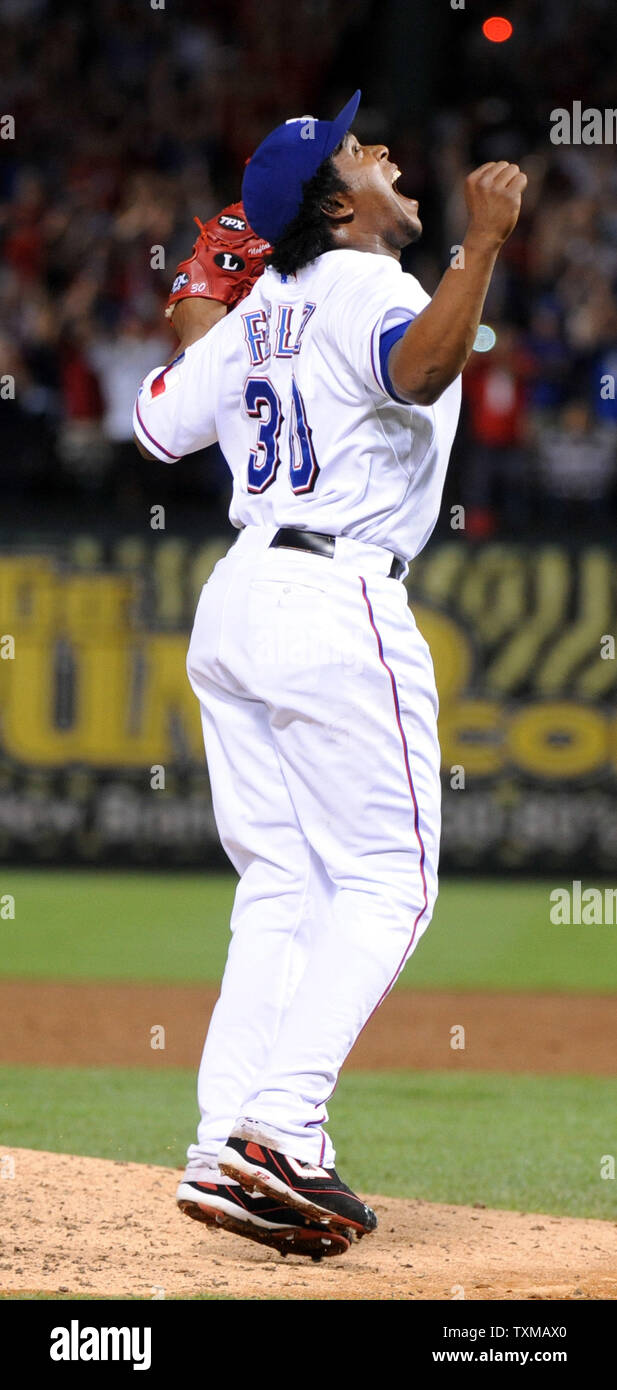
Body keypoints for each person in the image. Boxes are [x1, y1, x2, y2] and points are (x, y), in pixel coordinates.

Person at [133, 90, 526, 1261]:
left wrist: (202, 288)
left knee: (279, 887)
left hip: (241, 597)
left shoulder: (258, 314)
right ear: (335, 203)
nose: (388, 153)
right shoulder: (368, 286)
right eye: (361, 150)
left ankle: (222, 1140)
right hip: (335, 595)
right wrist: (487, 244)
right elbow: (419, 366)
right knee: (386, 884)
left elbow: (162, 419)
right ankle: (280, 1125)